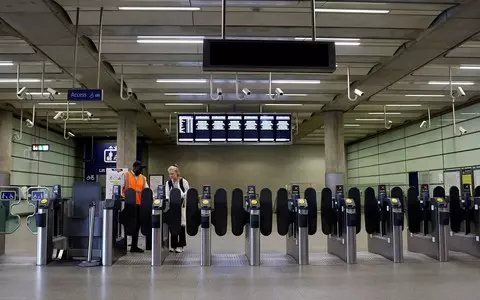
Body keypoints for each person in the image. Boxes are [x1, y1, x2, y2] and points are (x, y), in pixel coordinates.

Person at [122, 161, 149, 253]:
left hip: (138, 205)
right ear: (134, 167)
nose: (141, 170)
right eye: (140, 168)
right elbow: (120, 188)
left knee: (137, 225)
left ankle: (134, 246)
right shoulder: (126, 175)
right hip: (128, 204)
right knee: (127, 225)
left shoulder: (143, 178)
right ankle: (123, 246)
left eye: (142, 168)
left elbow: (146, 190)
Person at [165, 164, 190, 253]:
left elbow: (188, 192)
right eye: (169, 174)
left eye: (172, 174)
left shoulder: (183, 181)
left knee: (181, 225)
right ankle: (173, 245)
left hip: (182, 206)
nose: (171, 176)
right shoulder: (168, 183)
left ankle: (181, 245)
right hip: (173, 206)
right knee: (173, 225)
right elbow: (167, 194)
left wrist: (180, 195)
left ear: (177, 173)